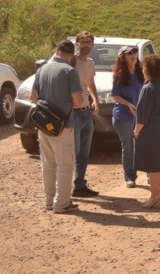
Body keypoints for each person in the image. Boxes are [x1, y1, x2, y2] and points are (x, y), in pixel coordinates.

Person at [30, 40, 84, 214]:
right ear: (71, 54)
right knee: (65, 164)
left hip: (43, 123)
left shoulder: (42, 69)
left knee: (48, 163)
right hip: (63, 124)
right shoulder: (70, 71)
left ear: (57, 51)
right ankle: (61, 203)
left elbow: (33, 97)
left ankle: (48, 200)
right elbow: (78, 101)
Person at [134, 55, 160, 209]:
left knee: (153, 166)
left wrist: (136, 132)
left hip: (150, 132)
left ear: (148, 69)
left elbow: (142, 115)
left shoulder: (148, 87)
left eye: (144, 68)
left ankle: (155, 196)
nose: (142, 70)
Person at [111, 45, 144, 188]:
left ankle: (151, 175)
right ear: (122, 57)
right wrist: (129, 104)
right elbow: (115, 96)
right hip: (123, 117)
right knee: (128, 147)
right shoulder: (118, 75)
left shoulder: (141, 73)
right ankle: (130, 176)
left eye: (135, 52)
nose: (133, 54)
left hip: (140, 116)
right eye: (129, 53)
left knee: (143, 145)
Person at [71, 31, 100, 198]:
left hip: (86, 113)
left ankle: (80, 185)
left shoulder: (90, 63)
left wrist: (95, 99)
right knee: (72, 152)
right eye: (82, 42)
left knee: (84, 152)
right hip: (73, 114)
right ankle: (67, 187)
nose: (85, 45)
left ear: (92, 45)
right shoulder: (70, 62)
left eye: (88, 42)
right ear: (77, 44)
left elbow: (90, 83)